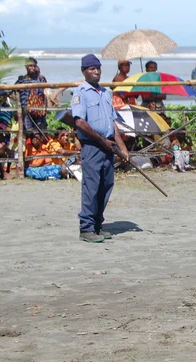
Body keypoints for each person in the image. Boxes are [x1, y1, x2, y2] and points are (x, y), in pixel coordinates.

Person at [71, 54, 129, 243]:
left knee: (106, 185)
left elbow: (113, 122)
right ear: (84, 71)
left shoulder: (105, 93)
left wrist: (122, 147)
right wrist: (101, 140)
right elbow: (80, 122)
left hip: (108, 146)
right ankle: (86, 228)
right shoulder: (80, 93)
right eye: (91, 69)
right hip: (92, 146)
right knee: (91, 187)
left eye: (98, 68)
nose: (96, 72)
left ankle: (97, 224)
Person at [15, 57, 48, 131]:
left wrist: (46, 109)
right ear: (26, 67)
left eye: (34, 66)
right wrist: (18, 107)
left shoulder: (41, 79)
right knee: (28, 131)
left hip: (39, 110)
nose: (32, 68)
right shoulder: (22, 80)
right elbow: (13, 91)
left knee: (39, 131)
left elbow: (45, 94)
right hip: (26, 110)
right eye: (30, 66)